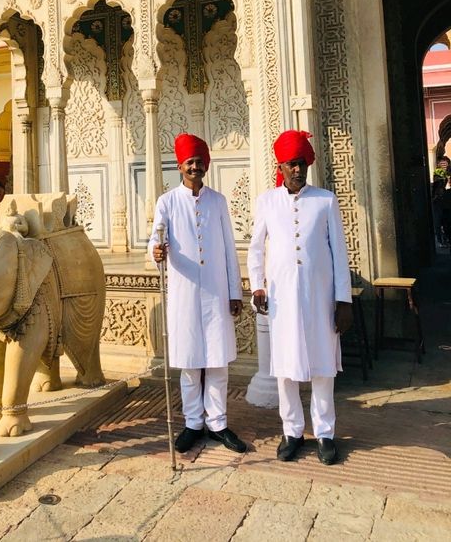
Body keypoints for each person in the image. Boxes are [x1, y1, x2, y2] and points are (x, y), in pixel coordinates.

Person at [247, 130, 353, 466]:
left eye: (303, 163)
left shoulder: (325, 200)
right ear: (281, 165)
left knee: (323, 368)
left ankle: (324, 433)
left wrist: (344, 300)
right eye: (293, 164)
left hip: (320, 299)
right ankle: (292, 432)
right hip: (282, 302)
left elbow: (339, 253)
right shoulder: (266, 201)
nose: (298, 169)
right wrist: (258, 286)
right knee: (286, 370)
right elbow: (255, 249)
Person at [148, 133, 246, 454]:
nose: (195, 166)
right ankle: (193, 423)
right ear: (180, 166)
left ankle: (218, 423)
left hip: (217, 292)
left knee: (218, 362)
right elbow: (155, 241)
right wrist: (157, 252)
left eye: (199, 161)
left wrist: (235, 291)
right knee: (190, 363)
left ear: (205, 165)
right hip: (185, 293)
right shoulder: (167, 202)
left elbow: (230, 250)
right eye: (189, 162)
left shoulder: (218, 201)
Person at [431, 156, 451, 247]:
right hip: (439, 200)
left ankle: (445, 239)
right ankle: (440, 240)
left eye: (445, 163)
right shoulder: (438, 172)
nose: (443, 165)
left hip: (446, 200)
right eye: (441, 163)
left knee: (446, 221)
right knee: (439, 221)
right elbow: (438, 184)